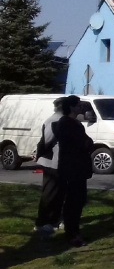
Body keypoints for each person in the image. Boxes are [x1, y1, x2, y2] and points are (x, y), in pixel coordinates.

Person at [56, 96, 93, 248]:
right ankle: (72, 233)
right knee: (74, 201)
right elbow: (82, 143)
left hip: (77, 167)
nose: (80, 108)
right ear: (71, 107)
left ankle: (74, 230)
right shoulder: (67, 123)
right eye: (77, 105)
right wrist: (87, 143)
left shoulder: (73, 123)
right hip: (72, 167)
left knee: (78, 200)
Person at [34, 97, 64, 237]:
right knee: (50, 192)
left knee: (57, 193)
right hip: (51, 162)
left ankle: (53, 220)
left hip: (58, 162)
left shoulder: (61, 120)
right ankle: (42, 222)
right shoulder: (54, 120)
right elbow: (46, 141)